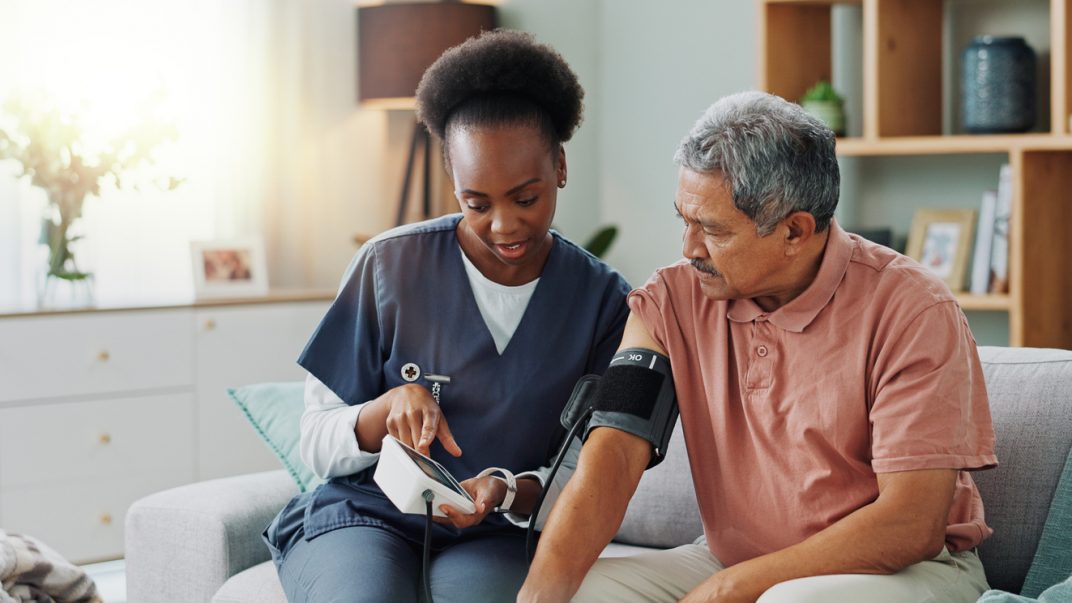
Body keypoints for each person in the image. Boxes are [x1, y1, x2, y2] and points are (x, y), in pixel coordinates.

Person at [518, 91, 997, 603]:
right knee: (578, 590)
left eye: (713, 230)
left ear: (795, 230)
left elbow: (911, 526)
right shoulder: (669, 302)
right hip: (731, 559)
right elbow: (612, 455)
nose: (688, 248)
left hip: (907, 572)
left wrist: (731, 589)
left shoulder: (912, 310)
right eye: (685, 219)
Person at [264, 30, 630, 603]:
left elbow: (594, 473)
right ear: (452, 181)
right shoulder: (387, 265)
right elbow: (315, 440)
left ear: (559, 166)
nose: (503, 226)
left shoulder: (603, 302)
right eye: (477, 203)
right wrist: (383, 410)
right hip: (367, 516)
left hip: (494, 534)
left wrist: (508, 492)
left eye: (525, 198)